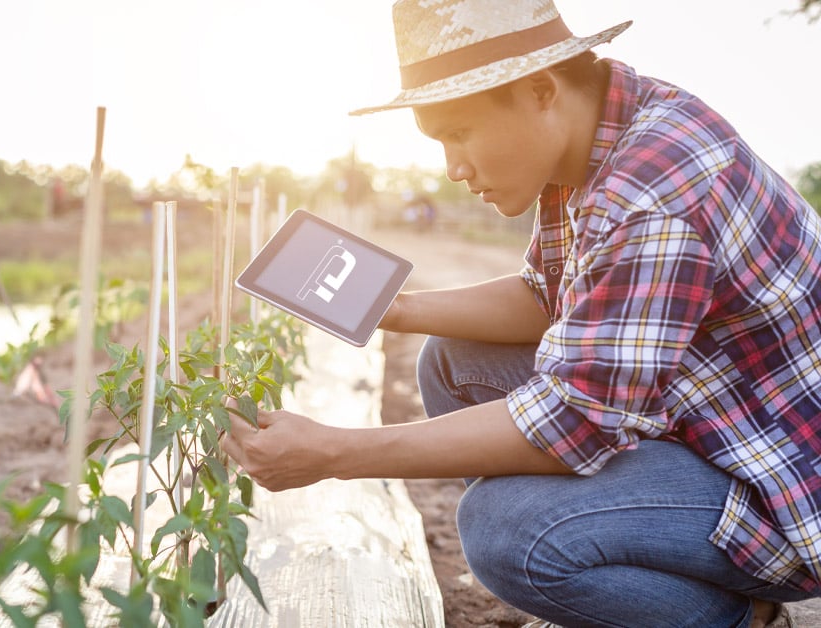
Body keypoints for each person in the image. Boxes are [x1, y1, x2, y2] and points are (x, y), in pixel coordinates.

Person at [220, 1, 821, 626]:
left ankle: (736, 618)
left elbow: (578, 421)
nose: (453, 169)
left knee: (506, 531)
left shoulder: (652, 194)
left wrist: (334, 454)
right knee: (454, 362)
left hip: (781, 486)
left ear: (539, 90)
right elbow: (546, 296)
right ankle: (616, 588)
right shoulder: (602, 135)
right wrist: (395, 309)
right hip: (712, 423)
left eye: (460, 133)